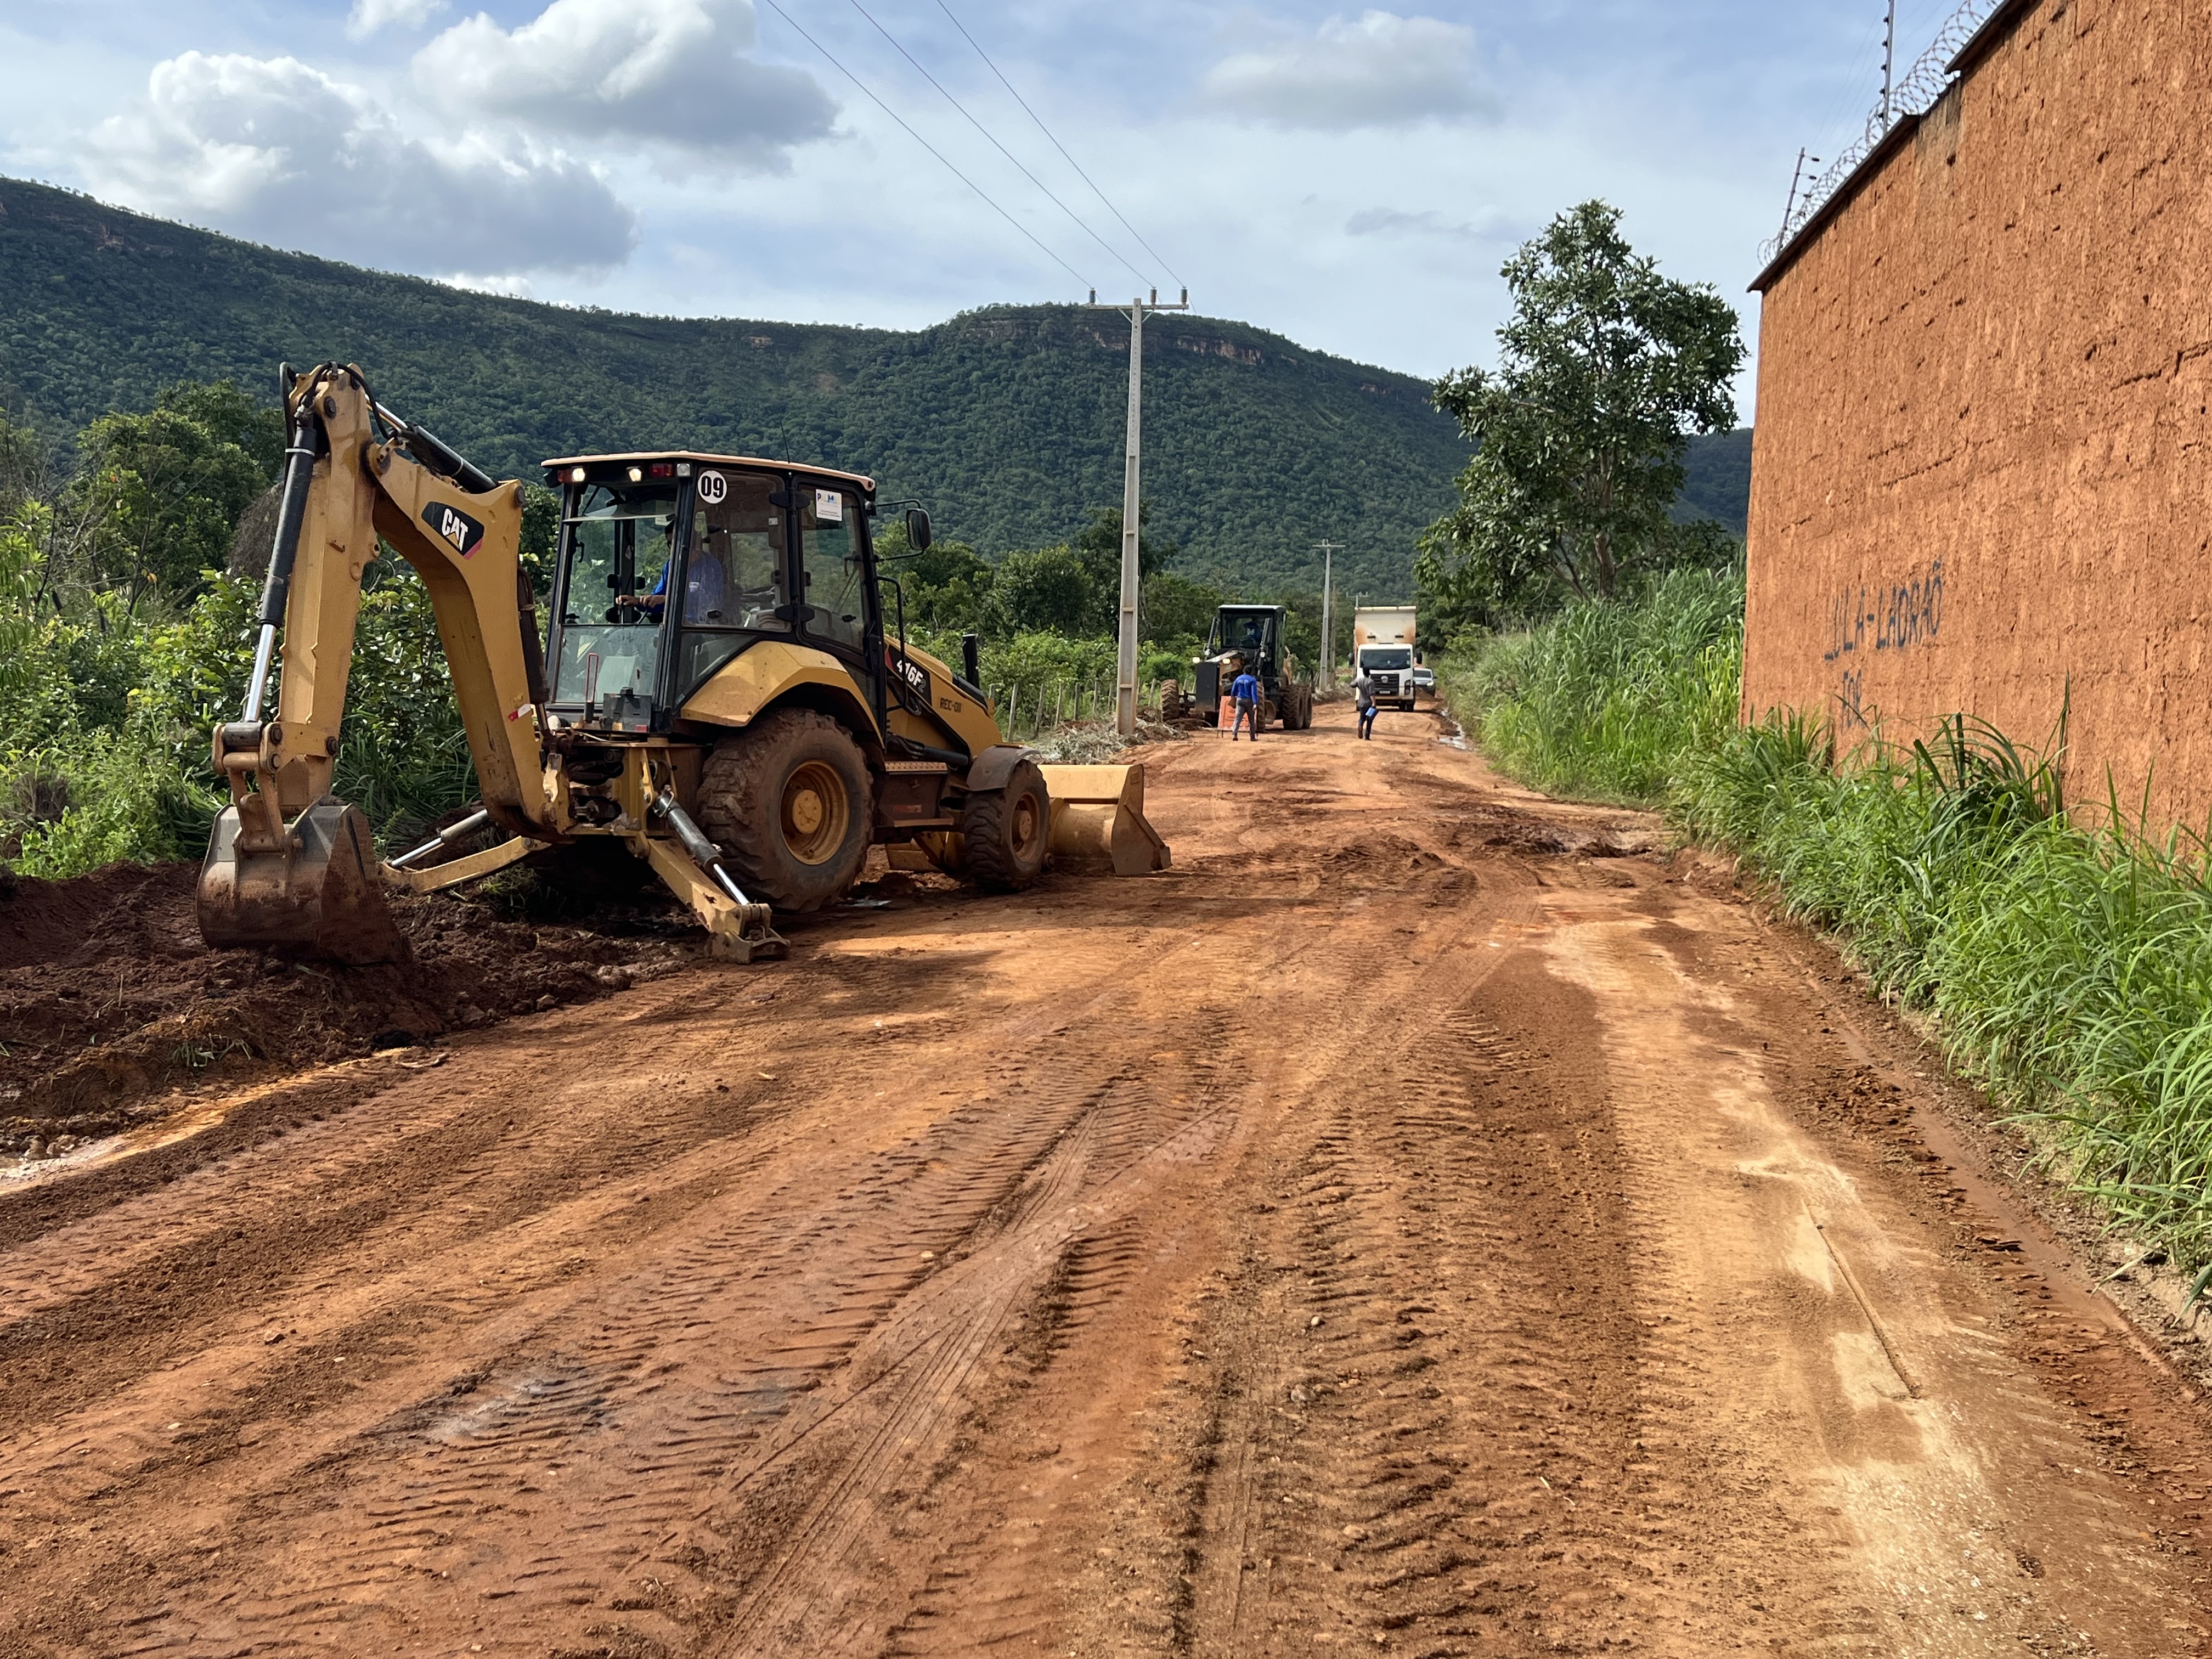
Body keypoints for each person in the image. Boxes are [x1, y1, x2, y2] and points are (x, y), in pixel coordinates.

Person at [1229, 657, 1262, 741]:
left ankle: (1235, 734)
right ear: (1251, 672)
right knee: (1251, 720)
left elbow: (1233, 691)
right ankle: (1252, 737)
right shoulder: (1252, 680)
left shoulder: (1238, 679)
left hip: (1240, 700)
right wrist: (1255, 703)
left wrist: (1233, 698)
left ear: (1244, 671)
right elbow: (1253, 692)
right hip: (1249, 701)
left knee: (1238, 718)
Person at [1354, 667, 1378, 740]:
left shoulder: (1360, 681)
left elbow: (1352, 684)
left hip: (1361, 703)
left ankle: (1360, 726)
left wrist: (1357, 682)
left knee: (1362, 718)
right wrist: (1374, 703)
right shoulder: (1371, 682)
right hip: (1369, 704)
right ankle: (1367, 736)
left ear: (1363, 673)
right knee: (1369, 720)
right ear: (1369, 673)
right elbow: (1371, 694)